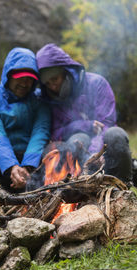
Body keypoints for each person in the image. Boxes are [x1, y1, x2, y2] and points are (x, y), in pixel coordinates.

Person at [36, 43, 133, 184]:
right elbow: (56, 132)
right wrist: (83, 125)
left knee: (116, 134)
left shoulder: (97, 84)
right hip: (76, 156)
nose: (53, 87)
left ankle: (122, 188)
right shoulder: (50, 99)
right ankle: (81, 188)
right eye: (47, 83)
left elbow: (106, 124)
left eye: (55, 79)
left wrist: (95, 153)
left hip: (104, 146)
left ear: (66, 71)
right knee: (77, 138)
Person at [0, 47, 50, 192]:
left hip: (33, 166)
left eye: (29, 79)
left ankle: (36, 190)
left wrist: (27, 167)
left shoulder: (39, 100)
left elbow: (40, 132)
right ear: (8, 75)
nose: (25, 84)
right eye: (20, 78)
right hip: (2, 164)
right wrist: (11, 166)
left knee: (56, 150)